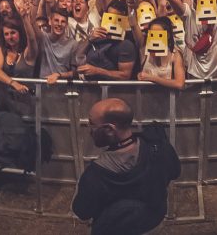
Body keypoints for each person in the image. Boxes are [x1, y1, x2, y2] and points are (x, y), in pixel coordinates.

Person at [72, 98, 181, 235]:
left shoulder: (95, 174)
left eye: (92, 124)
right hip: (154, 223)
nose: (89, 128)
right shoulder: (158, 146)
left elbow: (82, 212)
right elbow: (175, 172)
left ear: (110, 130)